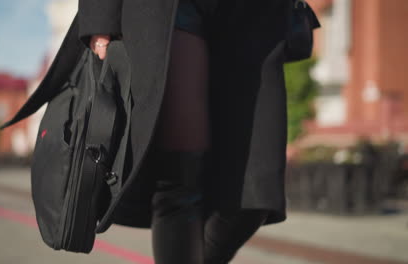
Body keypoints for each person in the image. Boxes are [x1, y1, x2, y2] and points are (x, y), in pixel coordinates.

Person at [76, 0, 291, 263]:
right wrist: (99, 15)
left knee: (256, 191)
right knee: (179, 181)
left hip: (252, 16)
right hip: (175, 9)